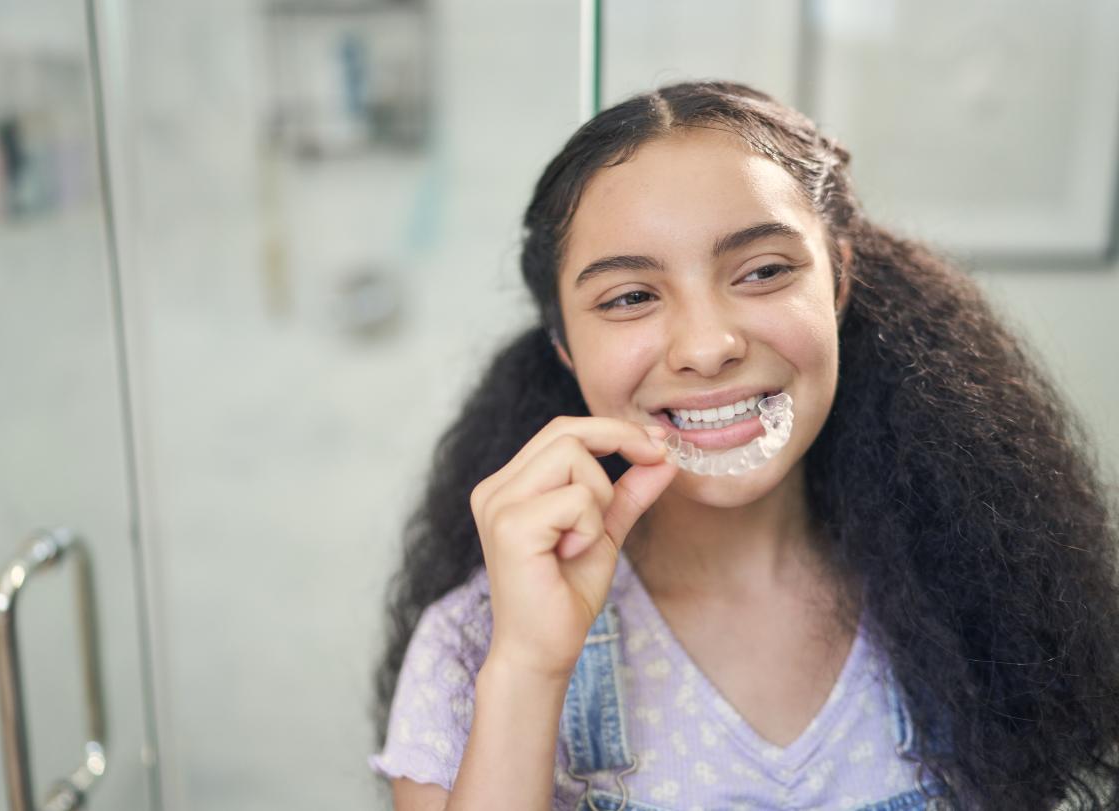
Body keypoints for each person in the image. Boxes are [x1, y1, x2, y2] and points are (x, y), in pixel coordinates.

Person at [367, 80, 1119, 810]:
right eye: (630, 296)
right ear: (564, 345)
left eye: (762, 272)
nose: (708, 346)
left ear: (839, 281)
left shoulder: (985, 589)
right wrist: (529, 667)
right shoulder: (470, 647)